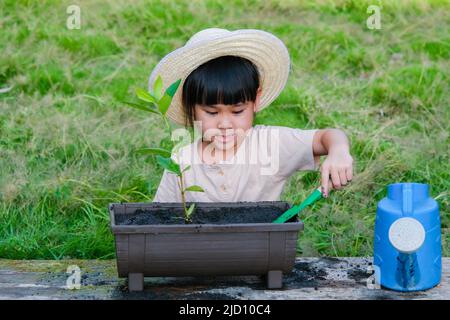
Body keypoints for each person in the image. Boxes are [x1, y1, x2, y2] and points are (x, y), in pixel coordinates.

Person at [150, 28, 353, 203]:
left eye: (238, 111)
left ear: (255, 100)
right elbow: (159, 219)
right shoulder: (181, 161)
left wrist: (339, 152)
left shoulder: (269, 145)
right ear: (190, 107)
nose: (225, 124)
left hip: (262, 247)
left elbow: (327, 137)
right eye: (211, 112)